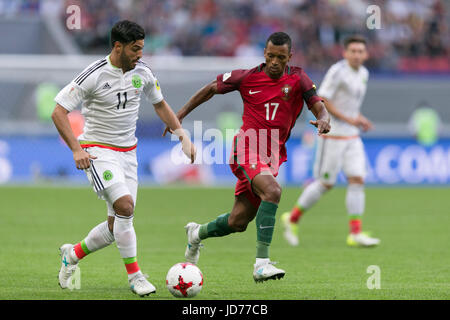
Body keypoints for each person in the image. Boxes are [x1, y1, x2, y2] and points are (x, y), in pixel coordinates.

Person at [164, 32, 330, 282]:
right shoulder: (247, 77)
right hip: (246, 147)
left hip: (271, 156)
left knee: (237, 222)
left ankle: (196, 234)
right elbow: (211, 88)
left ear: (289, 57)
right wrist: (181, 114)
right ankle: (261, 264)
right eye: (271, 55)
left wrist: (325, 119)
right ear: (264, 53)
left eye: (281, 57)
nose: (275, 61)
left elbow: (317, 104)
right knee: (273, 191)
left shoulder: (298, 78)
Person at [52, 20, 196, 297]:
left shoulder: (142, 72)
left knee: (115, 225)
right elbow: (58, 111)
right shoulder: (93, 75)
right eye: (135, 49)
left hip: (128, 153)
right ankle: (136, 277)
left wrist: (182, 136)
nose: (140, 54)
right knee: (126, 208)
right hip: (97, 151)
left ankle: (72, 255)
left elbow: (160, 104)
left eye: (142, 48)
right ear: (118, 47)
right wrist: (76, 149)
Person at [281, 35, 380, 247]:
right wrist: (348, 119)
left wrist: (358, 118)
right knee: (325, 183)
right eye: (352, 51)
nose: (356, 54)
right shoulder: (338, 71)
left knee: (357, 179)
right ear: (344, 53)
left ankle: (355, 233)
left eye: (360, 51)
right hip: (333, 135)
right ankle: (292, 218)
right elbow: (323, 99)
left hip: (352, 136)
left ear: (366, 54)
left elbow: (349, 105)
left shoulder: (363, 73)